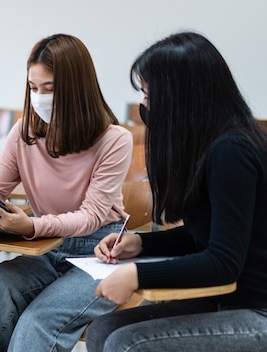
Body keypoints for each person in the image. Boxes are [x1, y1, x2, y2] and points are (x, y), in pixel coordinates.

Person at [85, 31, 267, 352]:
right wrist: (141, 243)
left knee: (126, 344)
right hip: (224, 299)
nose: (143, 106)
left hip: (255, 310)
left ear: (181, 98)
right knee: (104, 329)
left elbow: (223, 261)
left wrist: (138, 275)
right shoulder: (207, 146)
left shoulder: (232, 151)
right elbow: (203, 237)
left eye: (149, 96)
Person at [0, 33, 133, 352]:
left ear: (76, 89)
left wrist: (31, 226)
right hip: (46, 249)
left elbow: (91, 216)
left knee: (38, 320)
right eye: (33, 88)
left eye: (50, 88)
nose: (39, 97)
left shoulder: (115, 140)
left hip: (102, 253)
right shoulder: (23, 132)